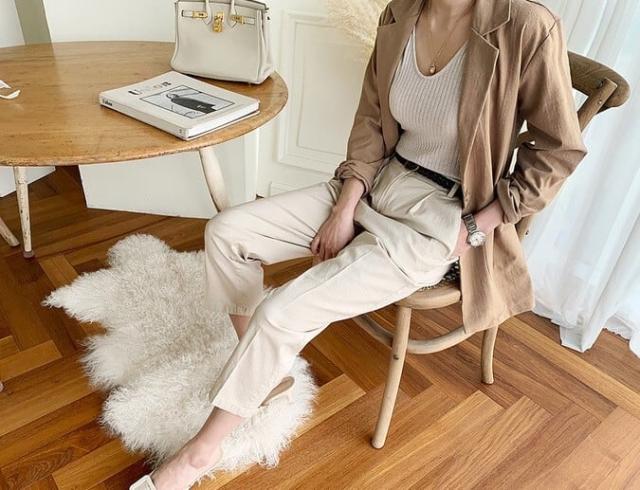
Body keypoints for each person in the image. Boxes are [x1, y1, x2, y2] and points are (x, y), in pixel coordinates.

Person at [130, 0, 587, 488]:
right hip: (378, 182)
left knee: (280, 313)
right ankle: (266, 375)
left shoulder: (526, 26)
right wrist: (345, 206)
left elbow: (559, 150)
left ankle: (199, 454)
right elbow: (371, 119)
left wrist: (476, 227)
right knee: (227, 234)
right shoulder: (400, 13)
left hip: (442, 217)